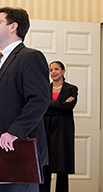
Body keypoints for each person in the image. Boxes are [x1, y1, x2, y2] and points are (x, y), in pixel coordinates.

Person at [0, 7, 50, 192]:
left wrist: (15, 132)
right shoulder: (0, 61)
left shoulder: (30, 57)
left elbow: (39, 100)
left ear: (12, 26)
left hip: (18, 150)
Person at [39, 61, 78, 192]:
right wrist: (60, 104)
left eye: (56, 69)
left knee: (62, 164)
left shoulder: (72, 89)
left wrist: (49, 104)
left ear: (63, 71)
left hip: (63, 128)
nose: (53, 72)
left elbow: (69, 107)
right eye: (51, 70)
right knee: (45, 164)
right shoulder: (45, 88)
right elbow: (42, 107)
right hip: (46, 127)